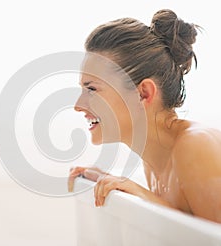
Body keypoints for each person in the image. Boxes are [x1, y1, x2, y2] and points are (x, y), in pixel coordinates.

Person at [68, 9, 221, 224]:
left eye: (91, 89)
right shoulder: (153, 163)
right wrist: (115, 183)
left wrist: (141, 195)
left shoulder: (197, 146)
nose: (78, 106)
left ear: (143, 93)